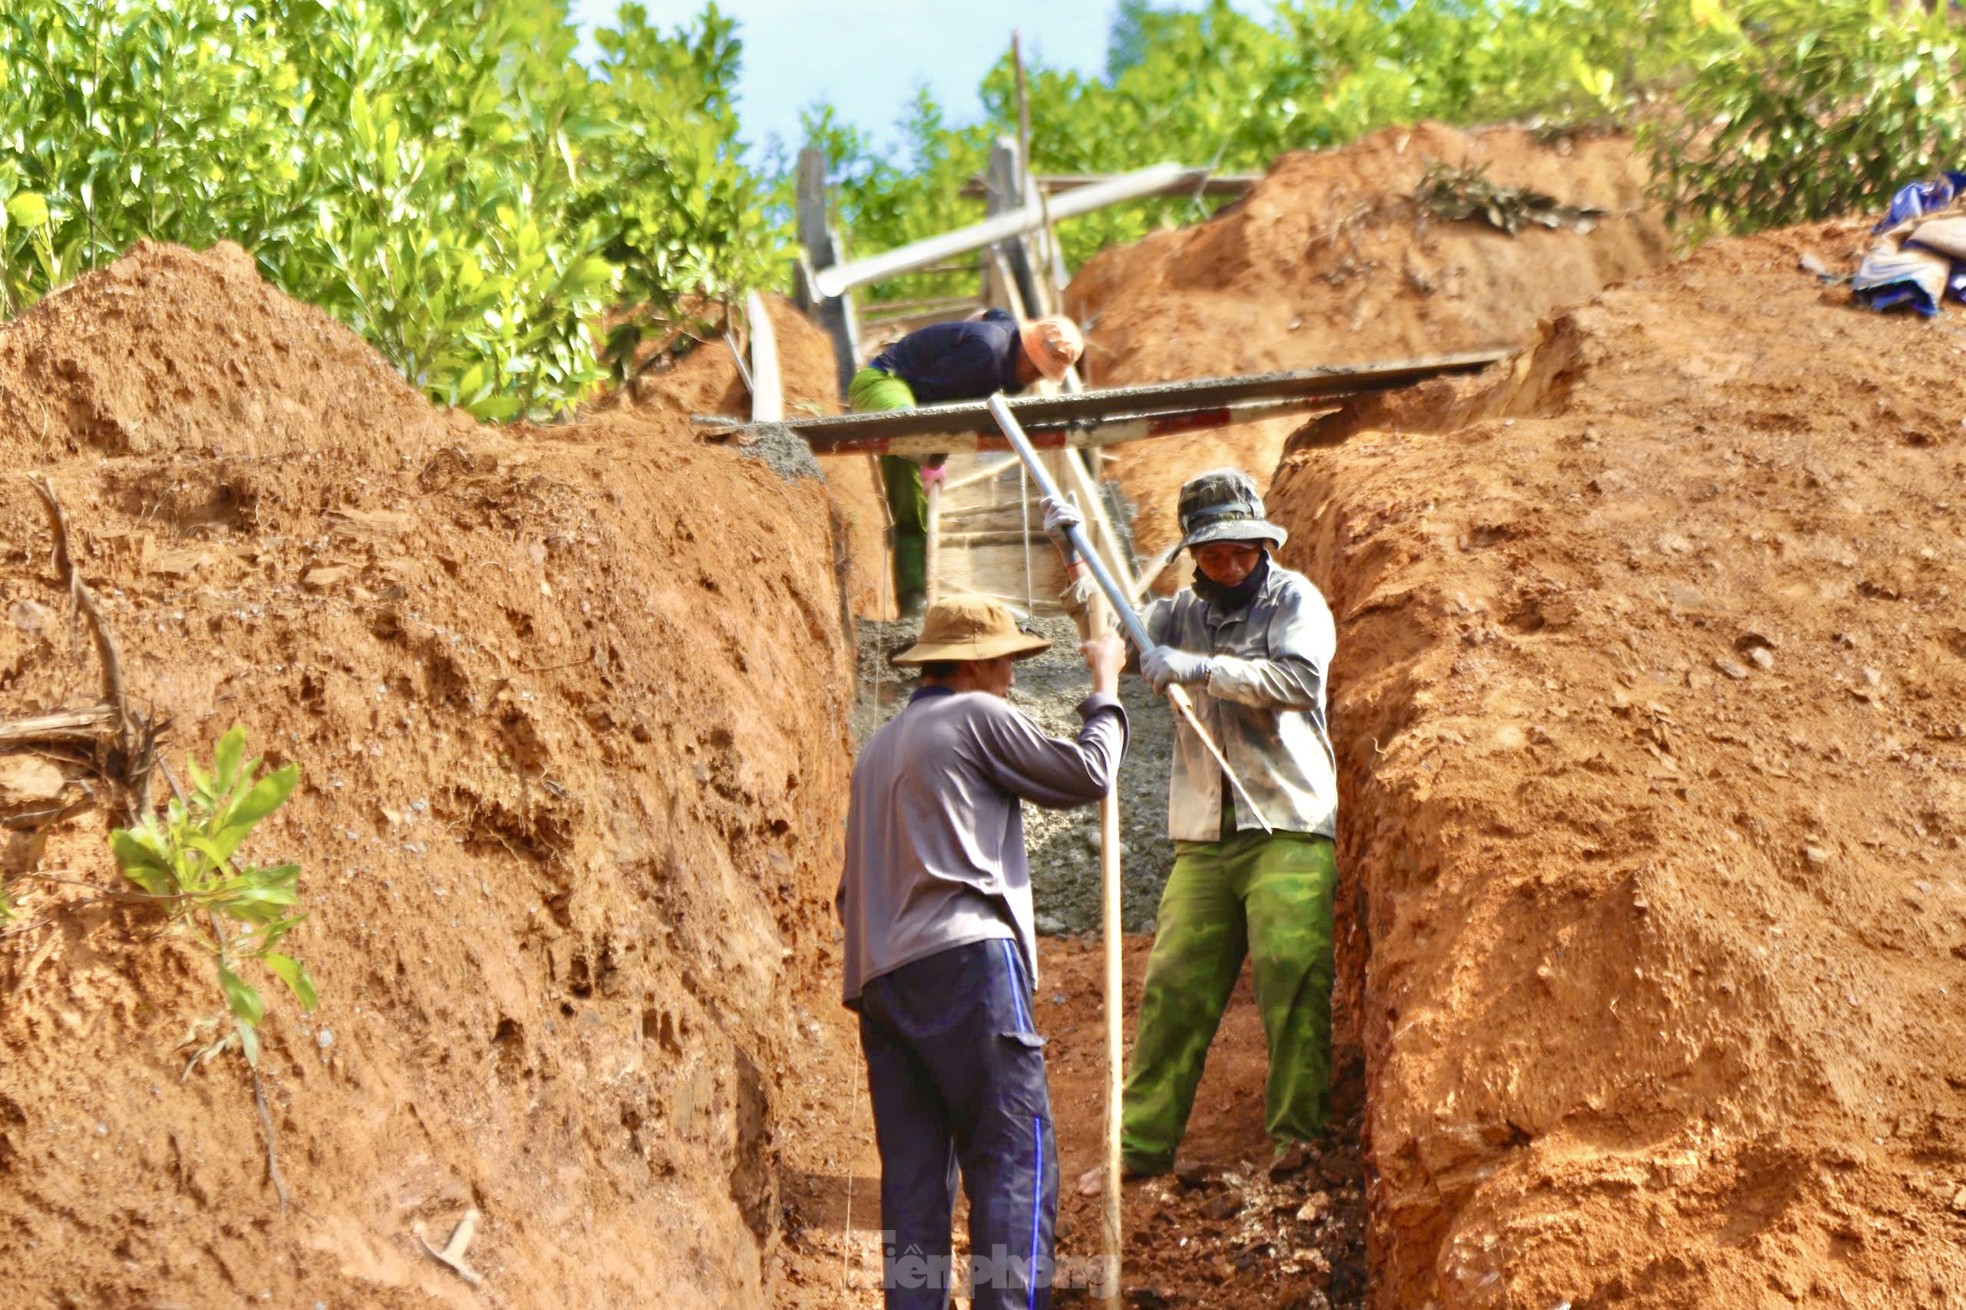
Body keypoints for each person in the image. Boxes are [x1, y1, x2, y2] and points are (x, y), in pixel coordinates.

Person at [1044, 469, 1338, 1180]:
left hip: (1289, 826)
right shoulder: (1177, 612)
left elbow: (1299, 681)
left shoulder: (1294, 599)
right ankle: (1141, 1150)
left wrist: (1201, 668)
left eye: (1241, 550)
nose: (1230, 566)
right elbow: (1108, 628)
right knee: (1174, 986)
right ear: (1193, 555)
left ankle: (1296, 1144)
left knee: (1291, 976)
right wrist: (1073, 559)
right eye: (1213, 555)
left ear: (1261, 542)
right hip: (1205, 835)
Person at [838, 595, 1126, 1310]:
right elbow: (1087, 774)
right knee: (1010, 1159)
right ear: (969, 663)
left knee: (912, 1184)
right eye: (1003, 662)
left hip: (880, 982)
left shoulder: (875, 753)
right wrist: (1107, 691)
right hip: (966, 965)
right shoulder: (975, 715)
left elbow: (848, 894)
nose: (1011, 679)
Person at [850, 310, 1085, 616]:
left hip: (910, 395)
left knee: (911, 499)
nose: (1035, 378)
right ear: (1026, 350)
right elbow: (936, 404)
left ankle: (914, 601)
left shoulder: (1005, 332)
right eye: (1037, 369)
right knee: (907, 434)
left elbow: (988, 313)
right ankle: (913, 603)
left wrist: (959, 334)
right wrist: (932, 458)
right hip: (883, 383)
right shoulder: (986, 358)